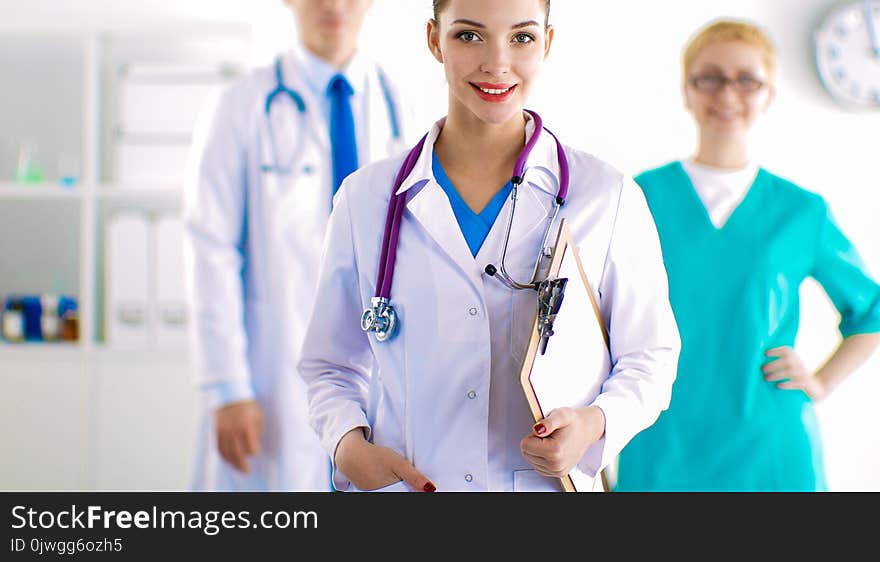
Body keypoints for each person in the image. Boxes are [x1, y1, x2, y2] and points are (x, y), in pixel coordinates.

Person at [297, 0, 680, 492]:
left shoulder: (605, 196)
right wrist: (348, 446)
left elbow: (651, 356)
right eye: (469, 36)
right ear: (435, 39)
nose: (497, 63)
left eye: (521, 38)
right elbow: (329, 364)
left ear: (548, 43)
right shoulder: (366, 199)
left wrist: (593, 423)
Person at [615, 19, 880, 492]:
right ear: (686, 90)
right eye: (710, 77)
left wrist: (820, 382)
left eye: (747, 80)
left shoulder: (801, 211)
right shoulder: (638, 197)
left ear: (769, 94)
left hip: (770, 446)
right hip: (662, 437)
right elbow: (595, 315)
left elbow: (870, 311)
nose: (727, 94)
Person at [183, 0, 411, 491]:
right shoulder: (241, 106)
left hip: (377, 375)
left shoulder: (402, 109)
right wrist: (228, 387)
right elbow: (211, 250)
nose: (333, 5)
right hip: (271, 379)